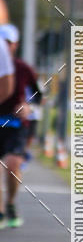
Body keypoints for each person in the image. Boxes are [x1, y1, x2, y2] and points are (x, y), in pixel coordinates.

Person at [0, 24, 39, 228]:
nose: (5, 47)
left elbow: (38, 96)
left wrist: (28, 106)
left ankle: (11, 203)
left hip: (16, 125)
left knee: (12, 165)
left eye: (9, 43)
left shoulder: (24, 69)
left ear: (15, 45)